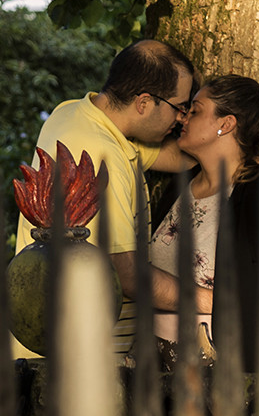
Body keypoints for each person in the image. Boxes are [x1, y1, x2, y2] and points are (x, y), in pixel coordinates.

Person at [13, 39, 203, 358]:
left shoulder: (72, 113)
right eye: (179, 107)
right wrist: (208, 300)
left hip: (42, 336)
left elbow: (177, 159)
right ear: (144, 103)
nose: (182, 118)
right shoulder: (104, 155)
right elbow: (127, 275)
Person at [145, 74, 259, 371]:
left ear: (226, 124)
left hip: (218, 375)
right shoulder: (175, 189)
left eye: (195, 111)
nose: (183, 117)